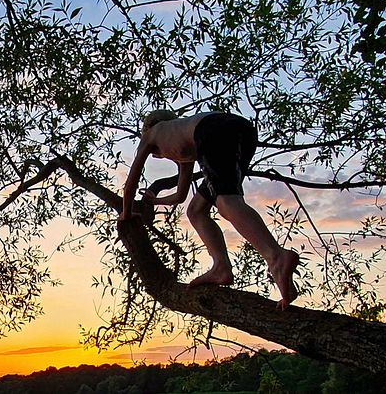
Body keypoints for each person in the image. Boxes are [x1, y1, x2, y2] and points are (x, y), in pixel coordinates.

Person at [118, 110, 299, 309]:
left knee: (226, 202)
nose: (157, 156)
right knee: (196, 210)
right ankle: (222, 267)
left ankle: (275, 257)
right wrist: (155, 201)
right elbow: (180, 196)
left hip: (214, 130)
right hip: (243, 132)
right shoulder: (182, 140)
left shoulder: (152, 133)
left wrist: (126, 215)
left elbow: (130, 184)